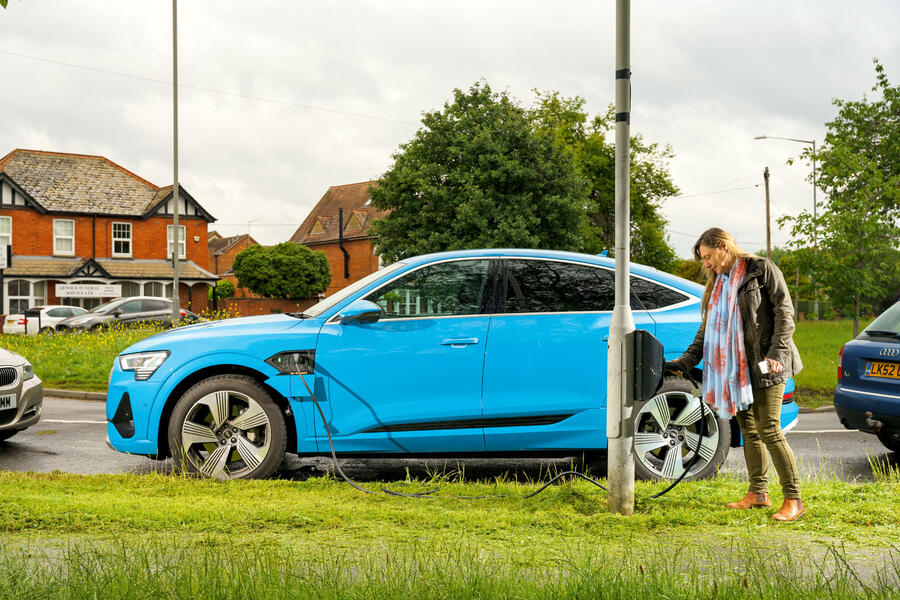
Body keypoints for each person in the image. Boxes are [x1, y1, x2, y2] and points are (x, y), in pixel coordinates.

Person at [667, 227, 805, 521]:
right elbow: (707, 329)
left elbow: (784, 312)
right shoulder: (718, 283)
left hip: (768, 362)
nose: (706, 264)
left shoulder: (761, 270)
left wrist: (777, 354)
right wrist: (687, 361)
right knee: (750, 430)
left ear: (722, 247)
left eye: (707, 256)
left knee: (769, 429)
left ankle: (793, 500)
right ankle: (758, 493)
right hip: (736, 372)